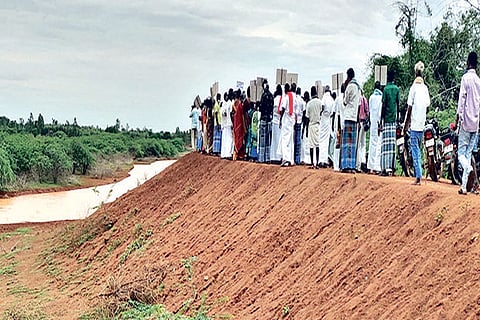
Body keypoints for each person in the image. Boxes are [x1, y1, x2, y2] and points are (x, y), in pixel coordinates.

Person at [455, 51, 480, 195]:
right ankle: (463, 187)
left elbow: (462, 99)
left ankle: (468, 169)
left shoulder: (466, 78)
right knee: (469, 153)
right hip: (475, 122)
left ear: (468, 63)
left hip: (465, 121)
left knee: (461, 154)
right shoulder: (478, 80)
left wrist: (458, 117)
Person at [404, 61, 431, 185]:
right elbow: (428, 106)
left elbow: (409, 108)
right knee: (419, 148)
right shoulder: (425, 88)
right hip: (422, 124)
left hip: (415, 124)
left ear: (415, 73)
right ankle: (420, 174)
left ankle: (418, 175)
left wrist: (406, 124)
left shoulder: (413, 88)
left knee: (415, 150)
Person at [380, 72, 400, 176]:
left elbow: (383, 105)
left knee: (385, 145)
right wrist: (398, 118)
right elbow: (398, 104)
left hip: (386, 119)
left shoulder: (385, 89)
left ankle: (385, 168)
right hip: (393, 119)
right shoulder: (396, 89)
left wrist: (381, 120)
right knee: (392, 144)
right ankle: (391, 168)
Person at [341, 68, 361, 173]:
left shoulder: (349, 86)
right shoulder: (358, 87)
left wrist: (345, 88)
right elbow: (359, 104)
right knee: (352, 143)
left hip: (348, 116)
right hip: (354, 117)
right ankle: (352, 165)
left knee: (346, 143)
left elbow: (345, 101)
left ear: (348, 76)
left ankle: (346, 165)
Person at [367, 81, 383, 173]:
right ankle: (377, 166)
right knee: (378, 143)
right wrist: (380, 122)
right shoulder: (381, 98)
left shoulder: (371, 97)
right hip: (378, 122)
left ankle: (371, 166)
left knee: (372, 143)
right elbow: (380, 112)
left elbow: (369, 110)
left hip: (372, 121)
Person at [278, 83, 295, 167]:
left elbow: (283, 108)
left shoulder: (286, 97)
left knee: (285, 140)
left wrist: (280, 119)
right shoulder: (293, 96)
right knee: (291, 140)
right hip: (292, 119)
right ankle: (291, 160)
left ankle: (286, 159)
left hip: (286, 119)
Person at [305, 86, 322, 168]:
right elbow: (322, 110)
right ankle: (317, 162)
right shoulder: (319, 102)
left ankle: (312, 163)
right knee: (317, 144)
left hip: (311, 125)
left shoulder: (309, 103)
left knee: (311, 145)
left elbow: (307, 117)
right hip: (318, 124)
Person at [258, 81, 274, 163]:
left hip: (264, 119)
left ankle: (261, 158)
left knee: (262, 138)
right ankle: (268, 158)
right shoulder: (271, 96)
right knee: (268, 139)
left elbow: (261, 108)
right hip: (269, 119)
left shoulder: (263, 96)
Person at [319, 86, 334, 168]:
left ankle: (321, 160)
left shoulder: (324, 98)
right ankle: (325, 160)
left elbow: (322, 107)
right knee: (326, 139)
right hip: (328, 119)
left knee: (321, 139)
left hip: (324, 118)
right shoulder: (331, 99)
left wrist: (320, 113)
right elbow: (332, 112)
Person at [332, 84, 345, 171]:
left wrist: (333, 125)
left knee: (338, 145)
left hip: (339, 124)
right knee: (339, 144)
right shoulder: (342, 99)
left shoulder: (339, 98)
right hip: (341, 124)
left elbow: (333, 113)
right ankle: (338, 165)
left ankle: (336, 165)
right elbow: (336, 113)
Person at [356, 90, 369, 172]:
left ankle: (359, 162)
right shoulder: (365, 99)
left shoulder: (358, 100)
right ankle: (363, 160)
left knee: (359, 144)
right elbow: (367, 112)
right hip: (364, 123)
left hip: (359, 122)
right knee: (363, 144)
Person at [232, 89, 246, 160]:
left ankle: (237, 154)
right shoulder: (239, 104)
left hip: (236, 123)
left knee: (237, 138)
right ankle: (238, 154)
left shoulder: (234, 104)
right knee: (239, 138)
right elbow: (242, 115)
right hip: (239, 122)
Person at [271, 84, 283, 164]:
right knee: (279, 140)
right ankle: (279, 157)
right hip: (279, 121)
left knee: (274, 140)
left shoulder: (274, 99)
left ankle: (273, 156)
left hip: (274, 121)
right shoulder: (281, 100)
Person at [220, 91, 234, 159]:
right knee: (229, 139)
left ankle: (224, 154)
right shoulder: (229, 104)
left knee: (224, 139)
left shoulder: (223, 105)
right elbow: (231, 113)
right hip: (228, 123)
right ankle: (228, 154)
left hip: (224, 124)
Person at [294, 86, 305, 165]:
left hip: (293, 121)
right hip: (300, 121)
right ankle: (297, 159)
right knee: (298, 141)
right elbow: (304, 111)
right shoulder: (302, 101)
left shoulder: (294, 99)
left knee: (293, 141)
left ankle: (293, 158)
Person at [301, 91, 311, 165]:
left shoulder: (306, 106)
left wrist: (304, 128)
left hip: (306, 126)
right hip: (311, 125)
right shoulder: (309, 104)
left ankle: (306, 159)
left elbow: (305, 119)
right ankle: (309, 159)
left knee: (305, 143)